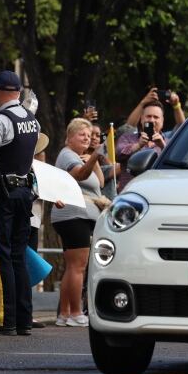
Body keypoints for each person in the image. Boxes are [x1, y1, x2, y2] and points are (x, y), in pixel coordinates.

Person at [0, 70, 40, 336]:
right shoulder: (31, 120)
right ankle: (23, 318)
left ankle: (4, 318)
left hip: (0, 196)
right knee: (18, 255)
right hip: (23, 194)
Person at [52, 118, 106, 327]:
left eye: (89, 134)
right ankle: (76, 312)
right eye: (81, 134)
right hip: (75, 215)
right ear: (69, 137)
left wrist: (93, 158)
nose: (87, 138)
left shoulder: (80, 157)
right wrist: (94, 157)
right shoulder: (68, 156)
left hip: (75, 216)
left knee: (72, 266)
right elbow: (81, 175)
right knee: (78, 266)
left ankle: (65, 313)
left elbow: (99, 183)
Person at [116, 100, 170, 191]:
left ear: (162, 121)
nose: (152, 120)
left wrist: (163, 147)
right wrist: (138, 145)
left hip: (159, 192)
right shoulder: (127, 138)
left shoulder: (170, 143)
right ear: (141, 119)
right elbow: (117, 155)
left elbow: (176, 164)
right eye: (148, 116)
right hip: (130, 192)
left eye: (156, 117)